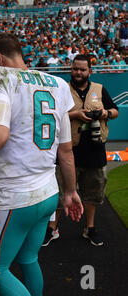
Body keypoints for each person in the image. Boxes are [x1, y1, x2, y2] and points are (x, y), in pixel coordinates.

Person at [0, 33, 83, 296]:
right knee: (28, 259)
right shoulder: (57, 83)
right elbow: (66, 151)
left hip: (17, 195)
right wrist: (70, 192)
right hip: (49, 191)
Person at [43, 54, 119, 247]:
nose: (78, 72)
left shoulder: (99, 89)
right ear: (71, 69)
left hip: (95, 150)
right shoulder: (62, 89)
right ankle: (52, 228)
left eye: (82, 69)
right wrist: (75, 114)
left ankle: (89, 228)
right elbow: (51, 115)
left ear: (90, 71)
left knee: (92, 193)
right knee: (59, 192)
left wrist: (104, 113)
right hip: (67, 150)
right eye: (75, 68)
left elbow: (115, 111)